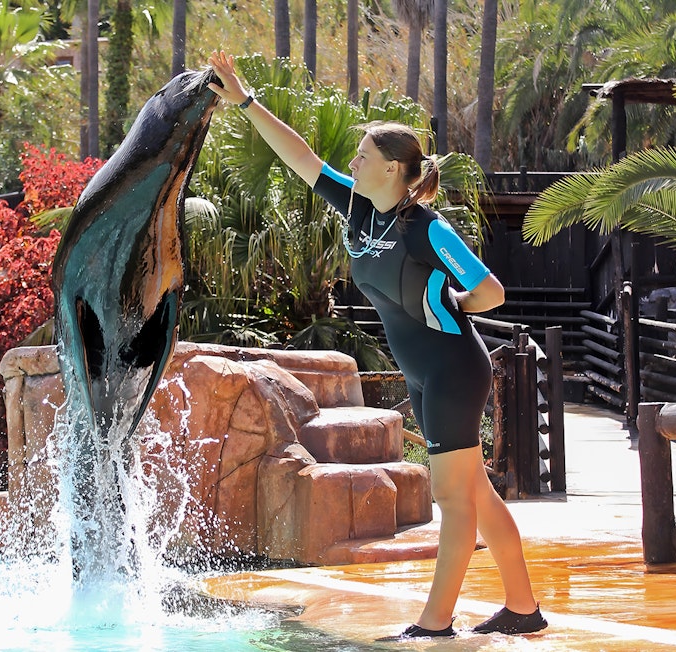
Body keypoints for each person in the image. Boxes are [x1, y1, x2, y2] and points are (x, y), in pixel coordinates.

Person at [207, 51, 548, 639]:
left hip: (451, 369)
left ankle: (435, 623)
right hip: (422, 372)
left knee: (453, 497)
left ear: (393, 168)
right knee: (476, 494)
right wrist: (246, 101)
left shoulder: (426, 227)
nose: (353, 160)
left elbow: (490, 290)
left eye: (363, 155)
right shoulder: (361, 209)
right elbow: (301, 158)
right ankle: (522, 608)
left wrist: (449, 305)